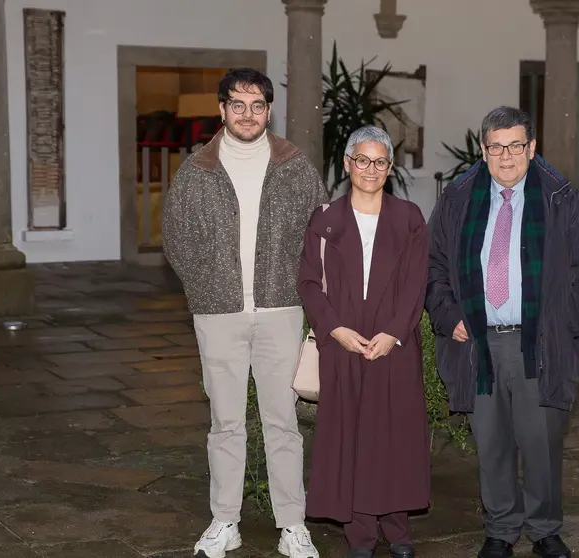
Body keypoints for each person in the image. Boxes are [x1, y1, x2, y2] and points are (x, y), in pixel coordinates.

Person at [425, 106, 579, 558]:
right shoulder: (458, 199)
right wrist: (449, 317)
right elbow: (434, 269)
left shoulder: (558, 197)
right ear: (483, 150)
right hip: (479, 344)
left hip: (541, 342)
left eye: (514, 146)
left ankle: (545, 529)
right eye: (496, 147)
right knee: (491, 442)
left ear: (531, 148)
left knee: (542, 440)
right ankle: (501, 530)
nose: (505, 156)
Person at [162, 67, 326, 558]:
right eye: (238, 104)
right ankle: (224, 521)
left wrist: (305, 294)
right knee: (225, 422)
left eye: (257, 105)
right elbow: (175, 237)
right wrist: (206, 288)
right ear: (222, 109)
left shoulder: (296, 167)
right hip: (219, 314)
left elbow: (321, 235)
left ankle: (293, 525)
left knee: (283, 422)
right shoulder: (197, 169)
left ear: (269, 110)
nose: (248, 114)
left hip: (282, 310)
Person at [298, 125, 430, 558]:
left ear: (389, 168)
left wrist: (393, 333)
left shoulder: (409, 218)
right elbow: (309, 283)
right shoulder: (326, 220)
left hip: (394, 346)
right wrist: (335, 329)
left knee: (394, 437)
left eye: (379, 161)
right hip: (344, 345)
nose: (369, 169)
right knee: (352, 437)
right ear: (347, 164)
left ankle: (398, 530)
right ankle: (359, 534)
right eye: (361, 160)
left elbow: (415, 284)